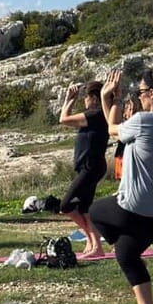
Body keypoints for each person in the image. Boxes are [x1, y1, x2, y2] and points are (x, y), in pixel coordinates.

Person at [89, 66, 153, 304]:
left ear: (152, 92)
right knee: (126, 253)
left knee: (96, 211)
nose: (139, 96)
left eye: (140, 92)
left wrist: (113, 99)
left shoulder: (144, 121)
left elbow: (112, 129)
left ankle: (121, 240)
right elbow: (115, 128)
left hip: (138, 208)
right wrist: (111, 102)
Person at [58, 81, 109, 257]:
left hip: (91, 167)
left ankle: (93, 240)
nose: (84, 101)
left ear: (94, 98)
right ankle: (96, 247)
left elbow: (63, 119)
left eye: (85, 97)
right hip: (89, 166)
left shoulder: (95, 114)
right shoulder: (97, 115)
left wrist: (69, 99)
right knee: (84, 208)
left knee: (66, 205)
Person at [113, 94, 139, 180]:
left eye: (135, 110)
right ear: (125, 113)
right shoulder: (123, 124)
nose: (132, 112)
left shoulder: (138, 124)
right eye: (130, 109)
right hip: (121, 155)